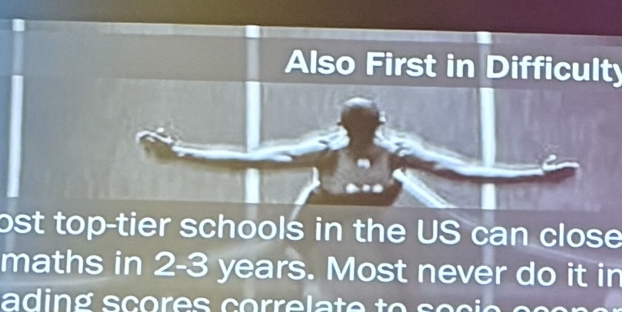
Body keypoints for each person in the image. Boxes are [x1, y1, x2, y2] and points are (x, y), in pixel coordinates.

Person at [138, 98, 576, 206]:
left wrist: (179, 154)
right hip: (332, 204)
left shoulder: (390, 152)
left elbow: (464, 172)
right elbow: (466, 172)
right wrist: (537, 176)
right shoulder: (331, 152)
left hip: (372, 202)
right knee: (300, 238)